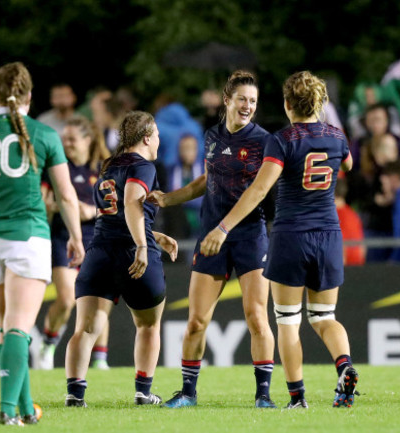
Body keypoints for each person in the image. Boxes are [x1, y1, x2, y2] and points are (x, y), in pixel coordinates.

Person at [201, 71, 358, 409]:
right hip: (329, 235)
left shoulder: (283, 139)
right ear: (320, 102)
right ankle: (344, 366)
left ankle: (297, 397)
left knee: (288, 321)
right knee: (324, 317)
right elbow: (348, 163)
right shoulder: (336, 136)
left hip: (291, 236)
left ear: (287, 104)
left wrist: (223, 227)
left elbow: (259, 189)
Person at [148, 71, 277, 409]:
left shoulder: (264, 141)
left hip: (248, 236)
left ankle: (263, 396)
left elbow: (257, 192)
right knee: (196, 321)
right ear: (227, 99)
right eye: (242, 99)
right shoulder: (210, 136)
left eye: (252, 101)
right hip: (211, 237)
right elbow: (207, 179)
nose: (247, 106)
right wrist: (168, 198)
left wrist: (223, 229)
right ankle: (188, 394)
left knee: (256, 317)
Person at [64, 111, 177, 408]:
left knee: (85, 329)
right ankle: (143, 391)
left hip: (99, 252)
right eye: (158, 136)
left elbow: (115, 217)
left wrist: (154, 236)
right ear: (147, 137)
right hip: (132, 253)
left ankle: (75, 395)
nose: (159, 142)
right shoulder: (143, 165)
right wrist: (142, 244)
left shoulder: (107, 167)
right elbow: (130, 202)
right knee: (149, 326)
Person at [0, 62, 85, 425]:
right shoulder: (43, 133)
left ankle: (27, 408)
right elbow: (65, 194)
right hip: (27, 236)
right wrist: (76, 236)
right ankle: (7, 410)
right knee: (18, 326)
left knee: (4, 327)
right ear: (30, 96)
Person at [37, 116, 112, 370]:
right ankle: (48, 343)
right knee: (68, 299)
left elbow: (120, 208)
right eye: (64, 139)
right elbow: (45, 203)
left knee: (101, 300)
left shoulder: (103, 169)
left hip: (98, 238)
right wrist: (56, 207)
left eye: (71, 139)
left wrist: (91, 211)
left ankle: (100, 359)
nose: (66, 143)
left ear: (87, 140)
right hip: (63, 238)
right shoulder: (58, 167)